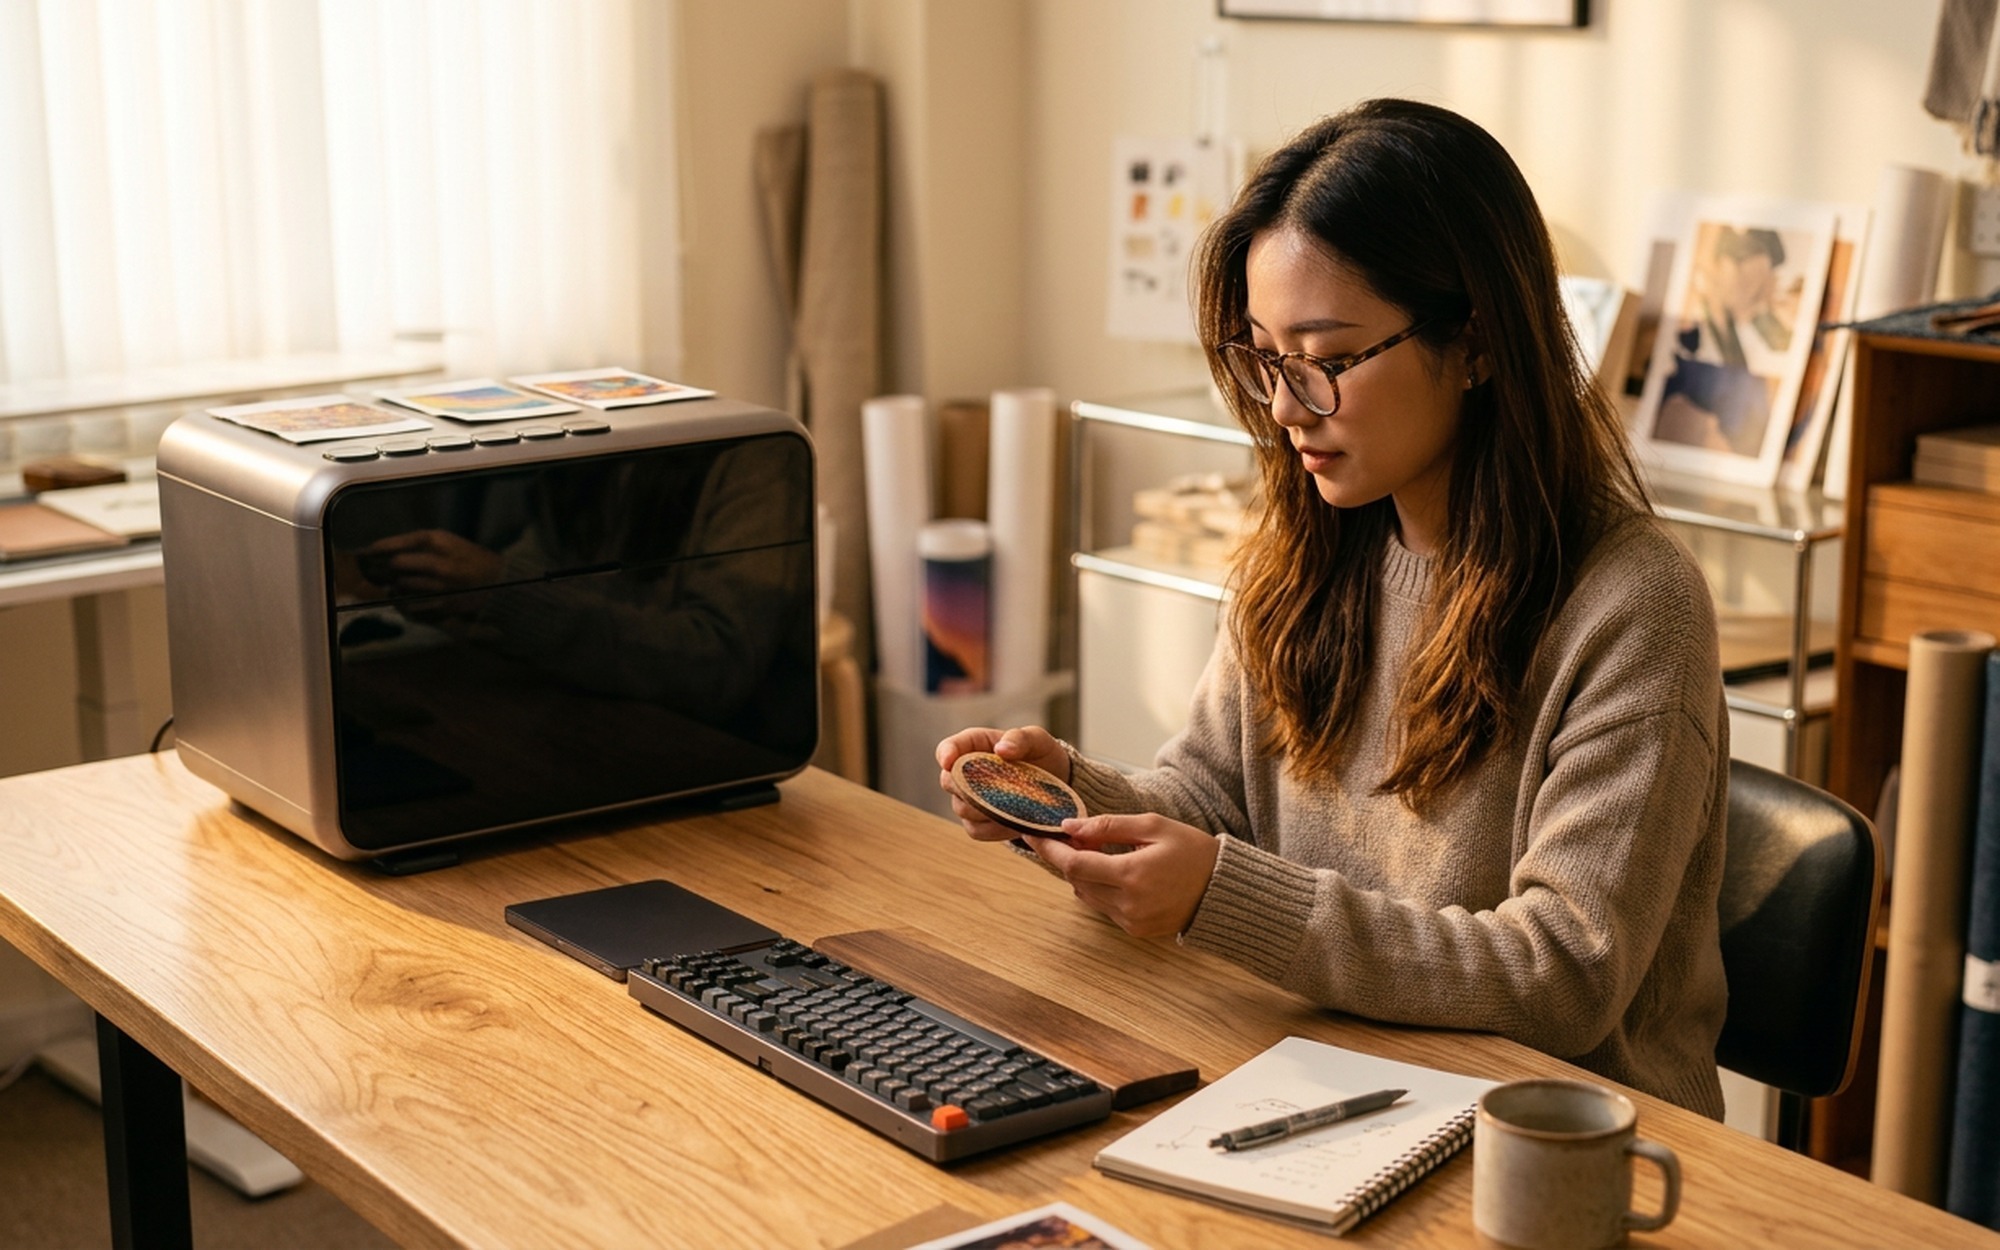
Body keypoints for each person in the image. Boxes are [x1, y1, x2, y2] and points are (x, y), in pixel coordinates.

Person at [937, 99, 1729, 1119]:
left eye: (1323, 359)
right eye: (1265, 357)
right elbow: (1212, 796)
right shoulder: (1312, 545)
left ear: (1477, 340)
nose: (1282, 406)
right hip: (1324, 1078)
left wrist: (1222, 897)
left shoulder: (1633, 605)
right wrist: (1071, 796)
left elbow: (1562, 972)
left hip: (1558, 1137)